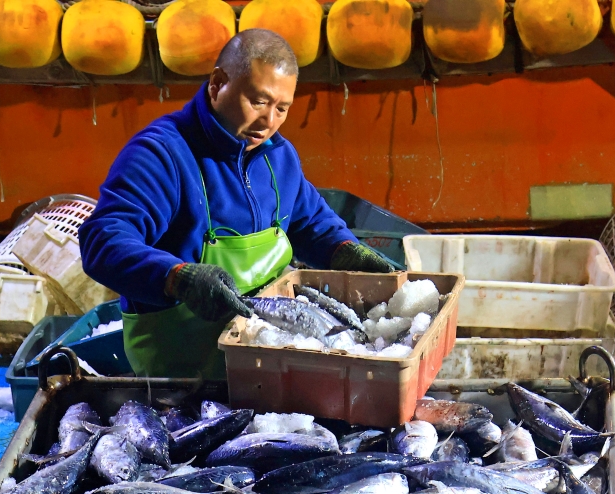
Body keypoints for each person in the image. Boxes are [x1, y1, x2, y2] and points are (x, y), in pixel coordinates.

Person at [78, 28, 394, 379]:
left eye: (282, 108)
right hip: (184, 377)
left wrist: (346, 249)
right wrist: (177, 278)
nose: (269, 122)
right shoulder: (161, 154)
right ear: (216, 85)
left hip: (270, 363)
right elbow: (102, 242)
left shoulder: (279, 157)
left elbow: (310, 222)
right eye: (258, 101)